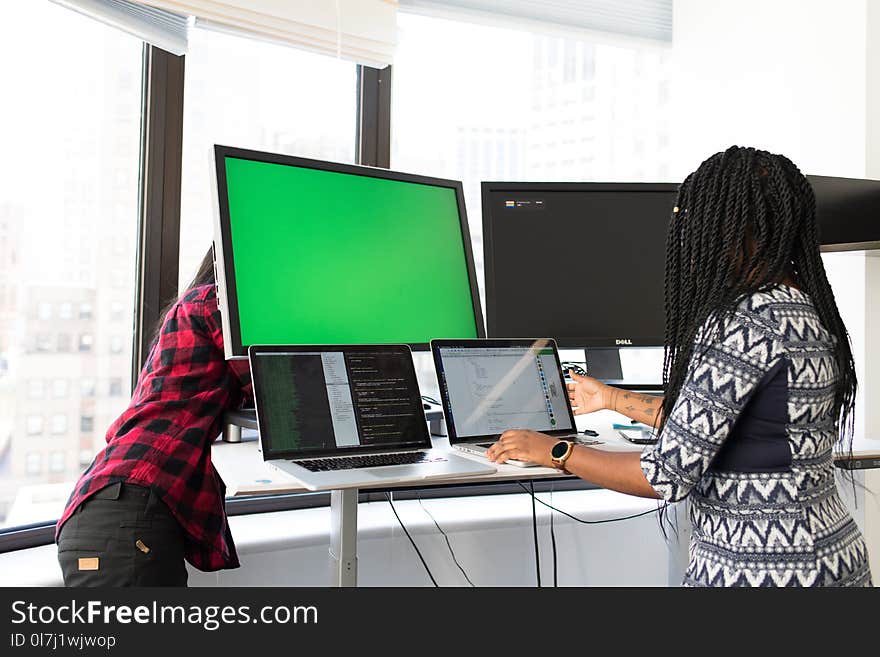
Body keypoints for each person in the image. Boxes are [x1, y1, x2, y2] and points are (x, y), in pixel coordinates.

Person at [487, 146, 873, 587]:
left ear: (726, 226)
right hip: (833, 559)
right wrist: (612, 399)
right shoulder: (807, 307)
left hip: (761, 570)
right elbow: (735, 425)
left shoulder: (740, 321)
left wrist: (557, 452)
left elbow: (665, 476)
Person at [55, 247, 251, 586]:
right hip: (125, 514)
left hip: (114, 512)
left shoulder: (191, 308)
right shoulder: (216, 301)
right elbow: (271, 387)